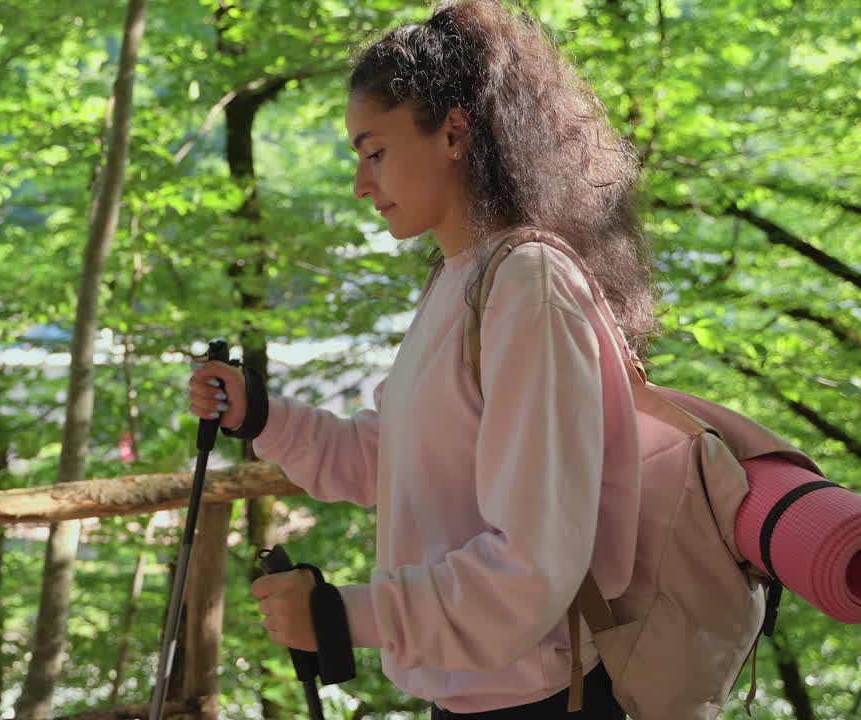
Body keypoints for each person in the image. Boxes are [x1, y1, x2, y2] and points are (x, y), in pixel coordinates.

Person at [188, 1, 658, 717]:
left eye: (375, 151)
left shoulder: (528, 284)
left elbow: (532, 569)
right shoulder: (461, 278)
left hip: (545, 700)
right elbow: (384, 460)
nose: (360, 185)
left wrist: (346, 615)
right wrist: (260, 415)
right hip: (479, 692)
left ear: (453, 132)